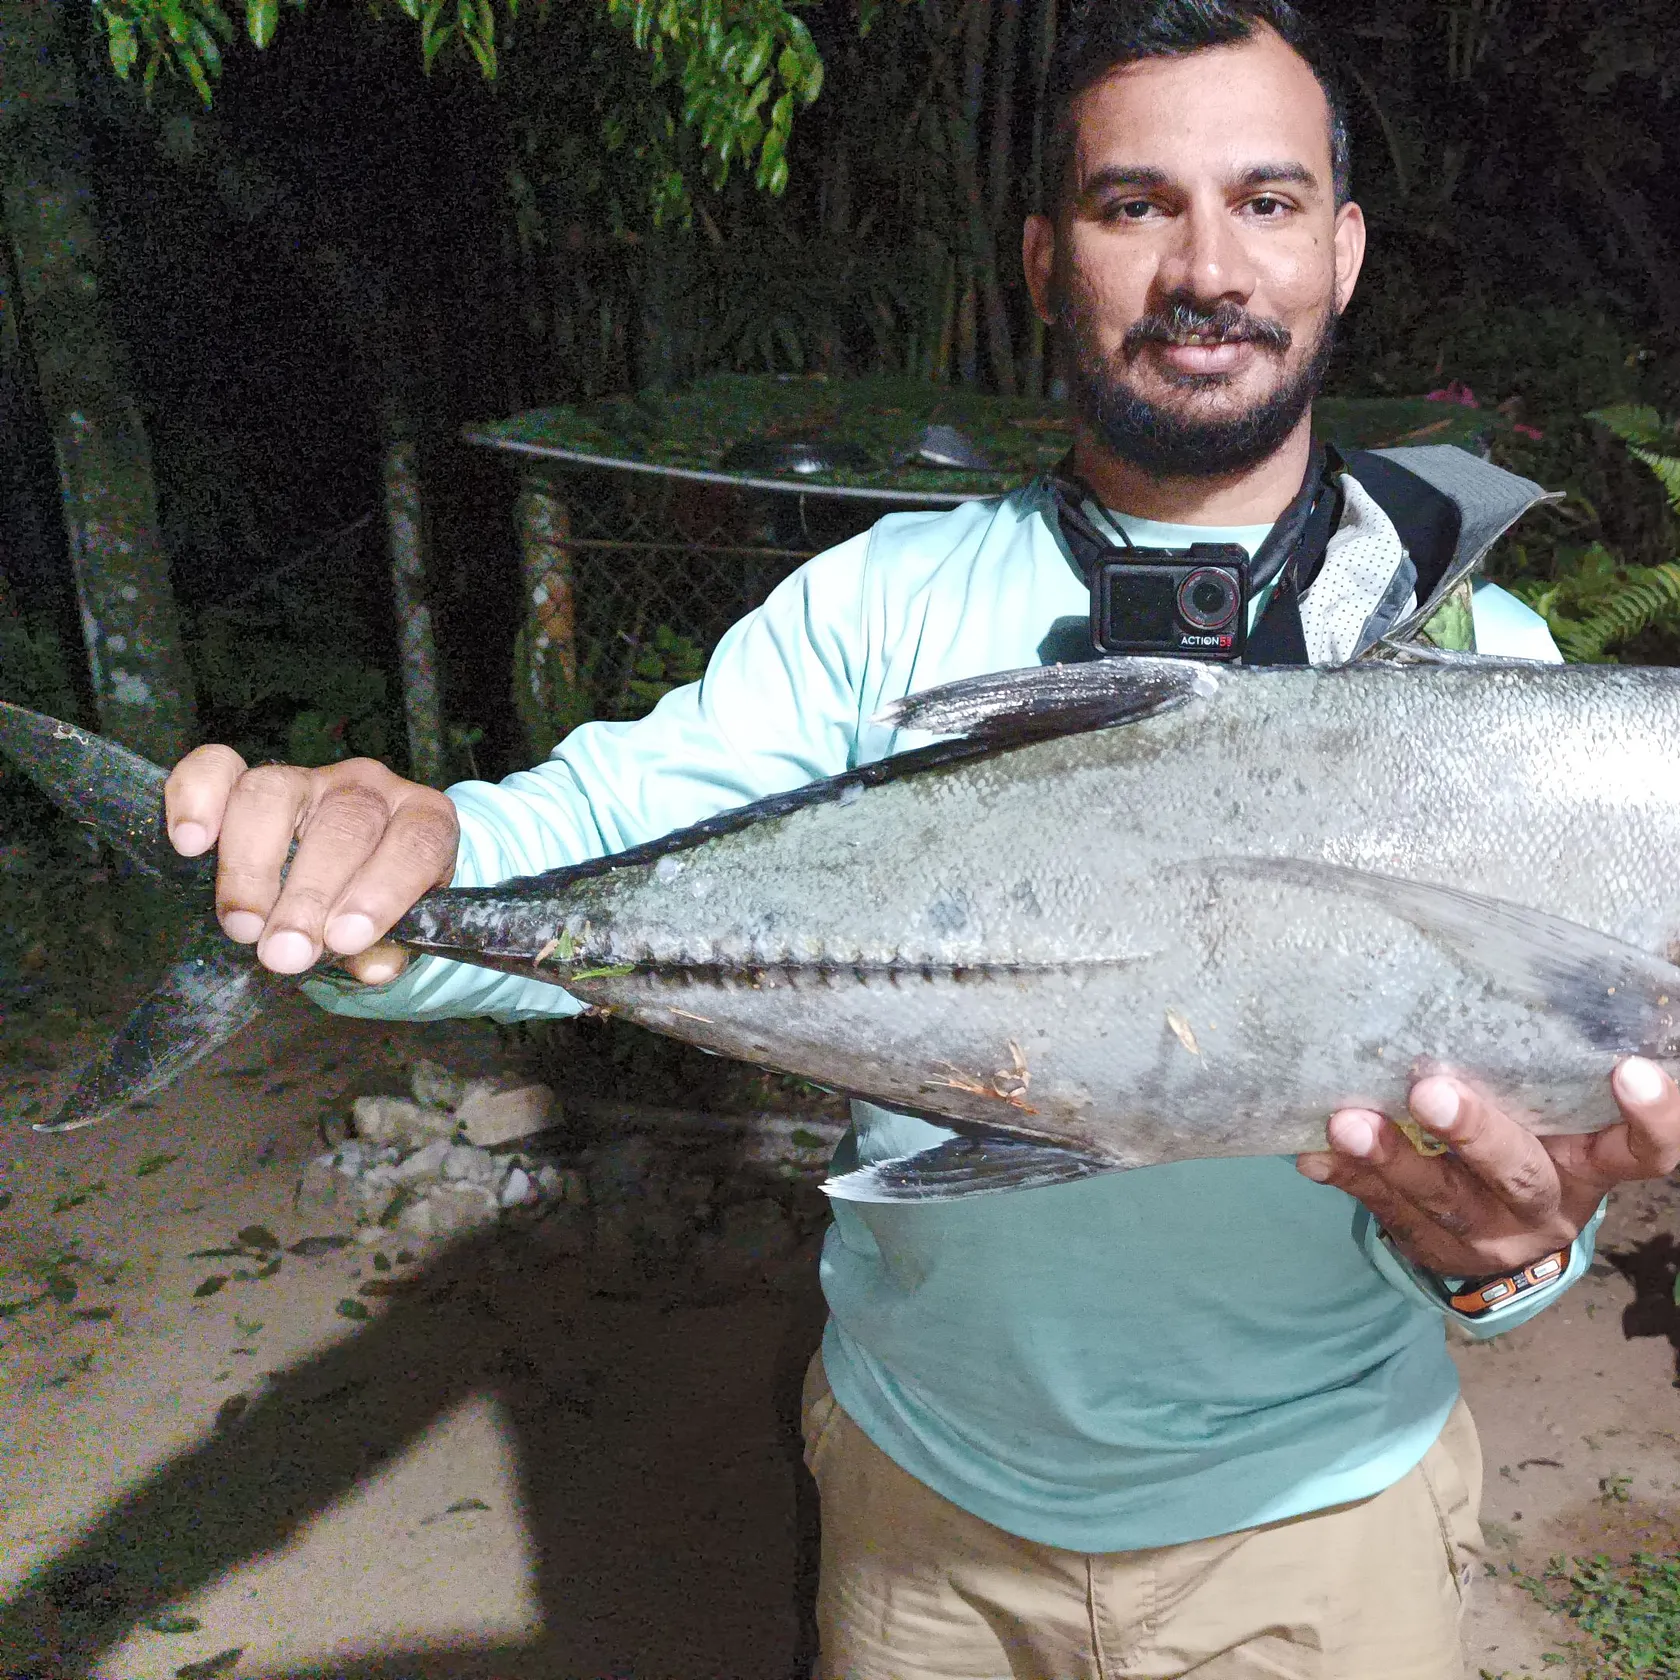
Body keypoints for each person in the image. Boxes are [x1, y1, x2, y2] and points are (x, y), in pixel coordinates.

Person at [164, 4, 1680, 1675]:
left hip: (1325, 1529)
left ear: (1344, 246)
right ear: (1046, 257)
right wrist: (366, 868)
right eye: (1132, 204)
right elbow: (573, 841)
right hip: (925, 1525)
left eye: (1264, 200)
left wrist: (1510, 1269)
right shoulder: (886, 608)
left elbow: (1540, 1209)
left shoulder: (1499, 684)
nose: (1203, 266)